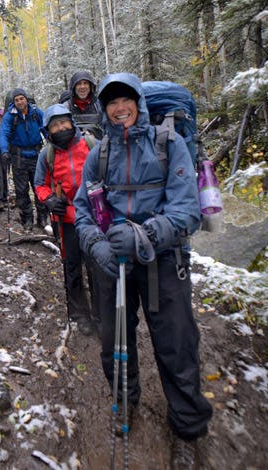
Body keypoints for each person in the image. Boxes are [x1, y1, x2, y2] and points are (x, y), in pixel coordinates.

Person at [73, 72, 212, 467]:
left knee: (176, 343)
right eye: (112, 103)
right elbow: (83, 210)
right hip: (113, 260)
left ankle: (187, 429)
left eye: (126, 100)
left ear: (139, 103)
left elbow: (187, 211)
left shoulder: (169, 145)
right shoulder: (99, 154)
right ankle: (124, 400)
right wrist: (96, 245)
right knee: (114, 340)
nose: (120, 109)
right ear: (104, 109)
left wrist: (145, 235)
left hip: (164, 259)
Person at [34, 104, 95, 336]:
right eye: (55, 125)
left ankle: (101, 313)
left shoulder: (90, 144)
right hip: (66, 221)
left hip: (94, 217)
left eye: (64, 122)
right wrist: (49, 200)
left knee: (97, 266)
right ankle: (80, 315)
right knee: (72, 267)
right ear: (48, 130)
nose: (61, 128)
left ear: (72, 122)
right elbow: (40, 184)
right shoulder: (47, 154)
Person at [0, 88, 48, 231]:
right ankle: (27, 219)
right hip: (18, 157)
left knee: (39, 186)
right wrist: (4, 151)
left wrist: (53, 143)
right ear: (13, 102)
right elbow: (4, 133)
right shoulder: (10, 116)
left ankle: (43, 217)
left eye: (22, 98)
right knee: (21, 190)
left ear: (26, 99)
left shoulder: (36, 113)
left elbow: (46, 128)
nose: (20, 102)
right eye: (17, 100)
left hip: (37, 156)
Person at [61, 70, 104, 139]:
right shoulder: (65, 108)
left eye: (85, 83)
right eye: (79, 84)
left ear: (90, 86)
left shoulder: (99, 106)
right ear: (74, 87)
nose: (82, 86)